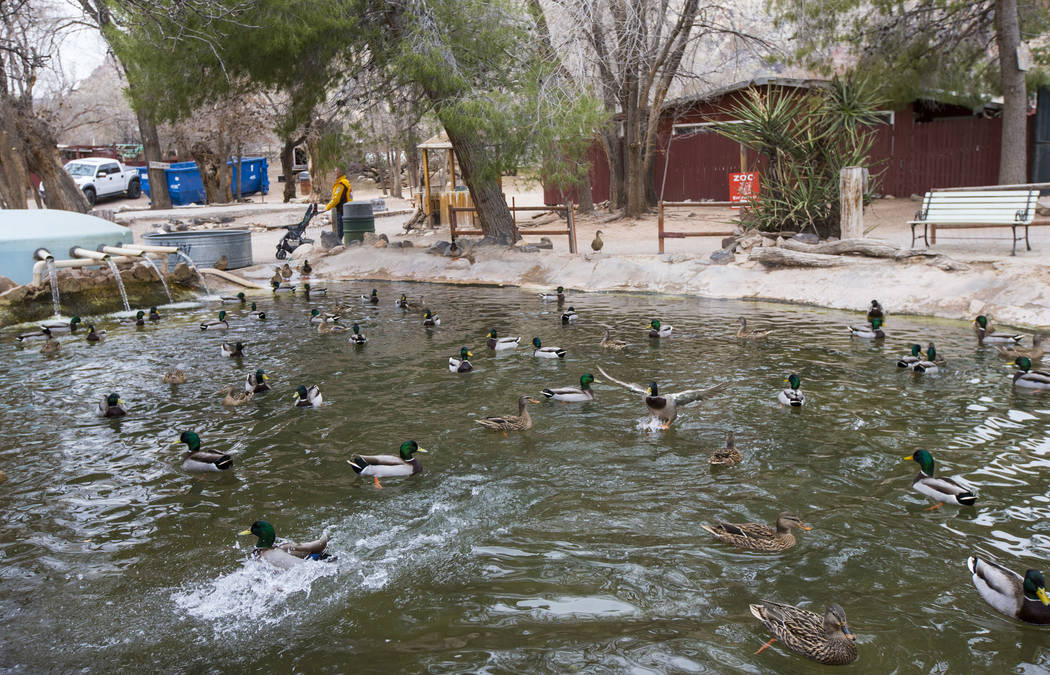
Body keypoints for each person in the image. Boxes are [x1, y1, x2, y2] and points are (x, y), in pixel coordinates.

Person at [320, 167, 353, 238]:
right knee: (342, 232)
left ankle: (338, 246)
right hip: (346, 210)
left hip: (341, 211)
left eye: (336, 171)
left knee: (338, 234)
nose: (334, 172)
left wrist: (327, 207)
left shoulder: (341, 184)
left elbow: (336, 199)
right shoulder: (345, 182)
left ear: (341, 172)